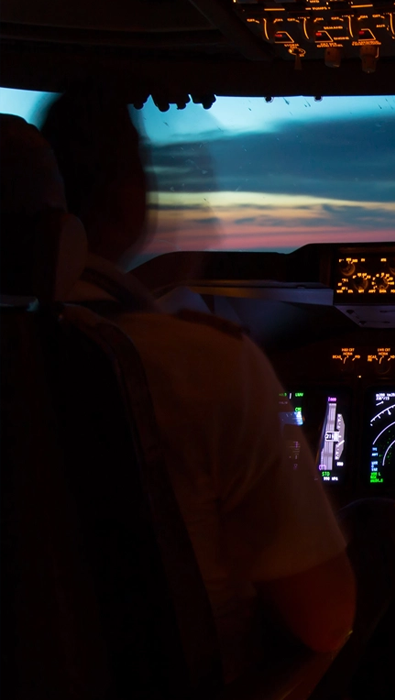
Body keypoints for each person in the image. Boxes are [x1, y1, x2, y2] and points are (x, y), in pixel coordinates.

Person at [19, 92, 360, 683]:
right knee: (384, 530)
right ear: (131, 195)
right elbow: (327, 624)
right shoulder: (205, 361)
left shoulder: (26, 347)